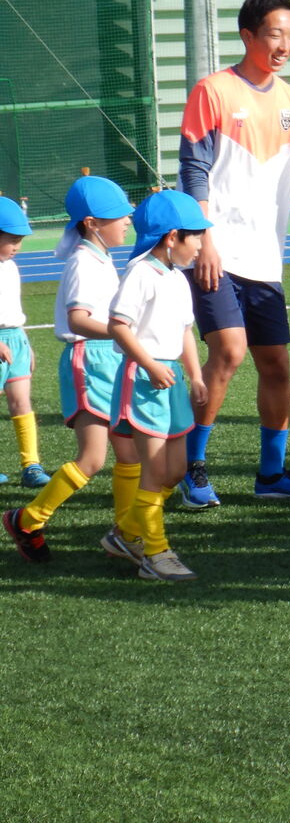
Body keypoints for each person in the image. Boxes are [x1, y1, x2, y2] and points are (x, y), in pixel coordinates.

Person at [178, 0, 290, 507]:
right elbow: (194, 172)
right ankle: (193, 468)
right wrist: (205, 240)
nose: (285, 44)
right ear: (248, 35)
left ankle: (270, 476)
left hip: (265, 261)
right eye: (276, 34)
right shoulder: (212, 91)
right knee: (228, 352)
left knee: (275, 363)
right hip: (216, 253)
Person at [2, 177, 142, 565]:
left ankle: (125, 534)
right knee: (93, 458)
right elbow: (78, 320)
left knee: (129, 455)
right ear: (93, 223)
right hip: (90, 360)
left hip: (109, 357)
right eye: (120, 215)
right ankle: (27, 520)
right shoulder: (83, 260)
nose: (128, 220)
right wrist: (126, 334)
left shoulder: (100, 255)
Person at [105, 190, 212, 582]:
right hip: (145, 381)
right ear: (172, 238)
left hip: (173, 381)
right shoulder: (140, 273)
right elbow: (119, 326)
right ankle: (155, 554)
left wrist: (196, 375)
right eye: (196, 236)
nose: (202, 244)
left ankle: (126, 534)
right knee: (153, 473)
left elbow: (185, 329)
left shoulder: (176, 278)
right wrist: (149, 364)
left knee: (174, 472)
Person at [0, 196, 50, 494]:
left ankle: (31, 465)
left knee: (21, 402)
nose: (18, 246)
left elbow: (12, 308)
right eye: (13, 239)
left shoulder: (11, 268)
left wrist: (25, 341)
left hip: (15, 340)